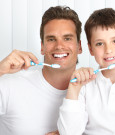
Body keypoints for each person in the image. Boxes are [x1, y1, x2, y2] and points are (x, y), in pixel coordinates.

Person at [0, 6, 82, 135]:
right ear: (42, 47)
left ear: (80, 47)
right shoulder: (10, 84)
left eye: (67, 38)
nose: (59, 45)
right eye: (51, 39)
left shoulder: (94, 92)